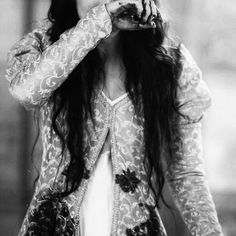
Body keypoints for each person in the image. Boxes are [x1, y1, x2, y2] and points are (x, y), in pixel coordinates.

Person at [5, 0, 224, 235]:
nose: (107, 3)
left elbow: (186, 172)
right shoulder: (45, 47)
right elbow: (26, 92)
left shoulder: (171, 63)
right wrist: (99, 21)